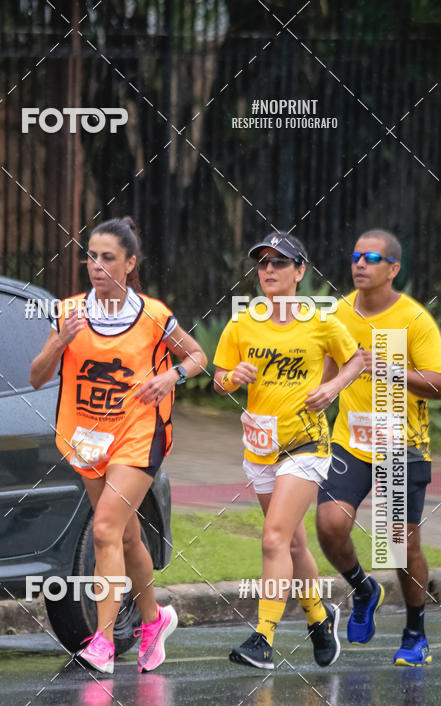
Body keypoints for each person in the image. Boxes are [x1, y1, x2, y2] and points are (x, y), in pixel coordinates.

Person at [30, 216, 207, 674]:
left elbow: (198, 357)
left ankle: (103, 642)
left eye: (108, 257)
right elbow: (36, 377)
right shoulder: (69, 312)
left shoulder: (152, 315)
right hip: (87, 437)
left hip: (137, 435)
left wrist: (171, 375)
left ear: (130, 264)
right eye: (91, 256)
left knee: (105, 529)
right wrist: (58, 344)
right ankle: (154, 619)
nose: (96, 265)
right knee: (127, 537)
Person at [213, 231, 363, 670]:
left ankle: (263, 638)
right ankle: (319, 617)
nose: (269, 271)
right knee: (294, 546)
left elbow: (356, 359)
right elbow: (219, 378)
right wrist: (233, 377)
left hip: (307, 445)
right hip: (260, 445)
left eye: (280, 263)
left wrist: (332, 387)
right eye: (263, 263)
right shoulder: (243, 322)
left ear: (301, 271)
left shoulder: (319, 321)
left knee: (274, 537)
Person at [316, 229, 441, 666]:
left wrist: (392, 371)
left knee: (398, 546)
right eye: (356, 255)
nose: (359, 264)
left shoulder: (414, 319)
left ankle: (415, 631)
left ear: (393, 269)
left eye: (371, 257)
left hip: (400, 446)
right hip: (350, 443)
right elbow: (325, 376)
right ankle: (363, 588)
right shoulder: (338, 314)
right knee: (329, 524)